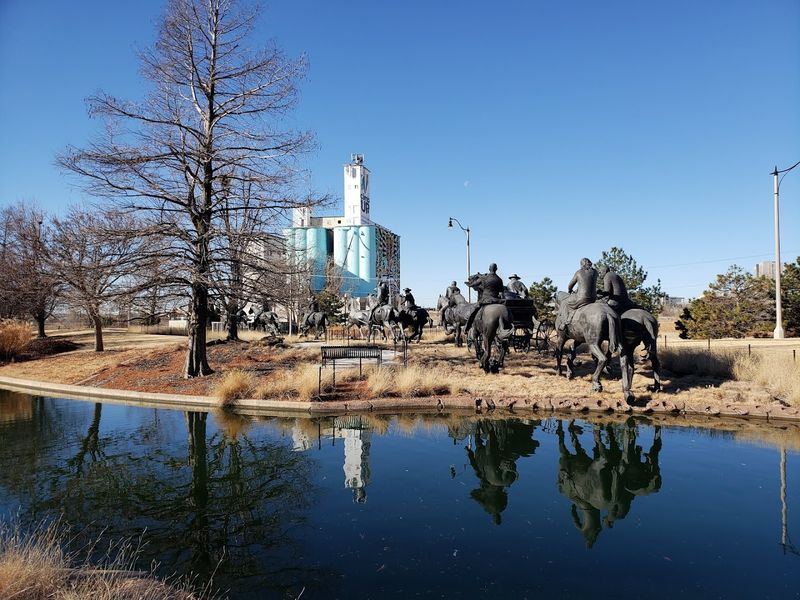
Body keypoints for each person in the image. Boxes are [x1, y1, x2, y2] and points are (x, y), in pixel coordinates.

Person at [558, 258, 598, 329]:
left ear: (582, 264)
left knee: (564, 302)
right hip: (593, 298)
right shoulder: (595, 272)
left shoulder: (579, 272)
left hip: (582, 298)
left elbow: (570, 285)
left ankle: (564, 323)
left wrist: (570, 290)